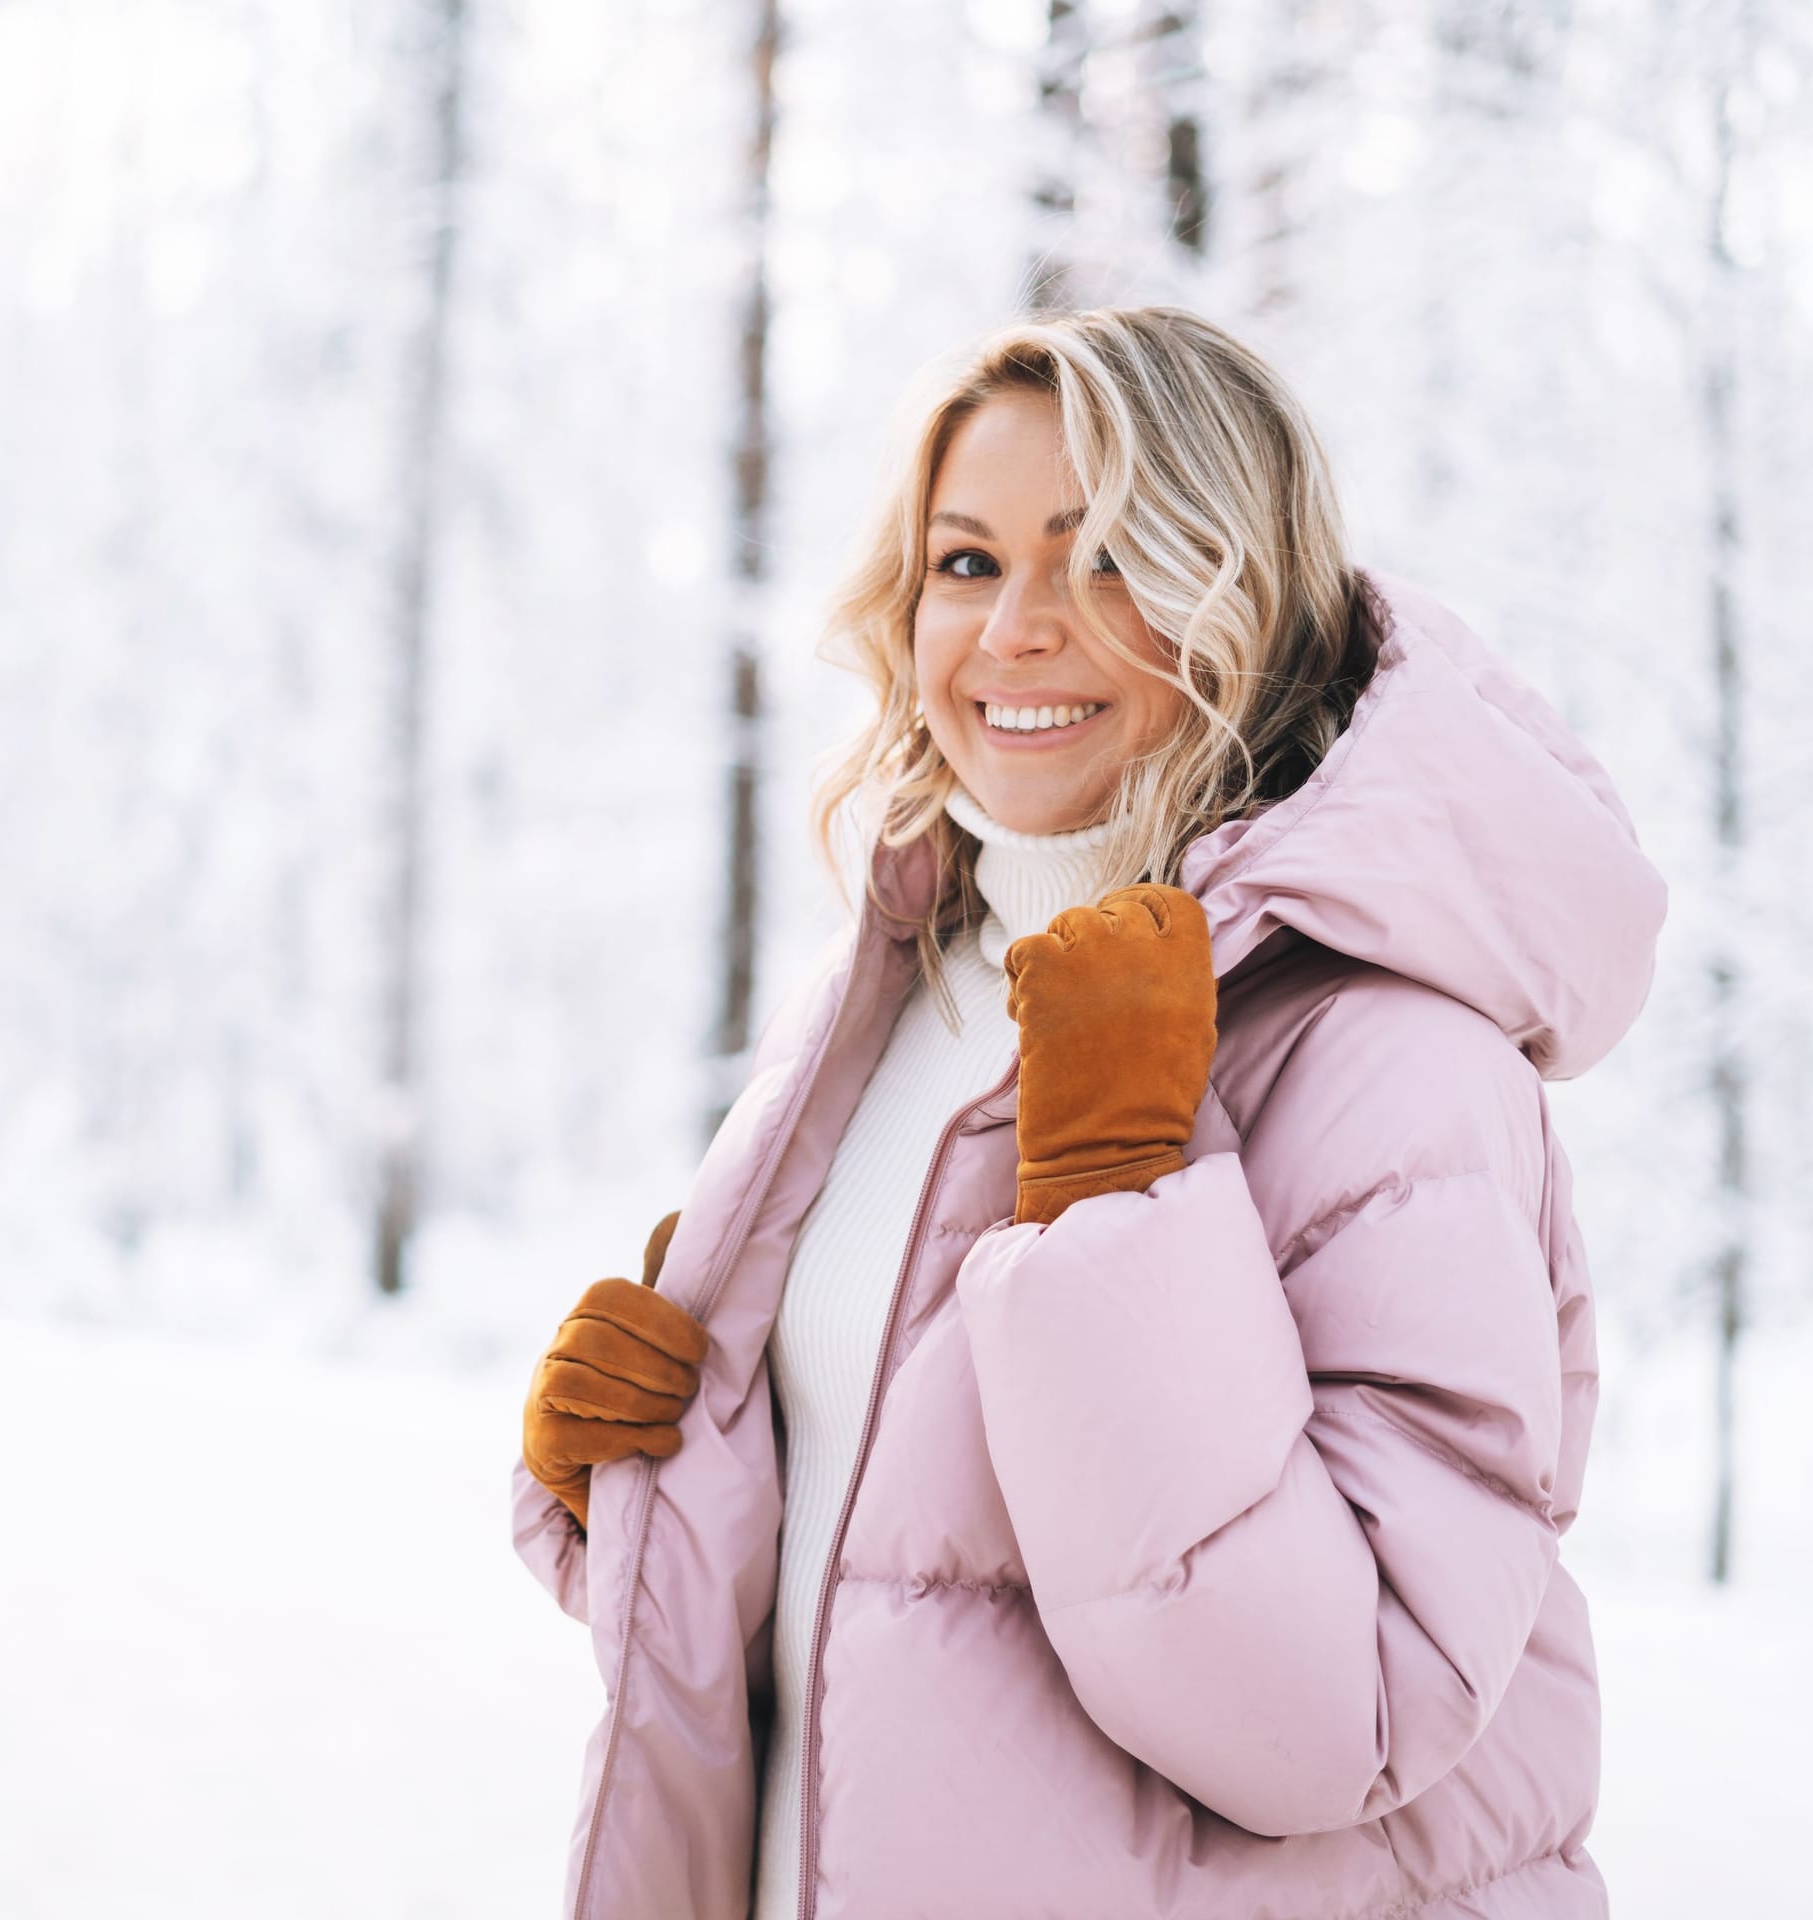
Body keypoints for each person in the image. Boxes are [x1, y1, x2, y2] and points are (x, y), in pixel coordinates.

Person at [512, 305, 1667, 1920]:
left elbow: (1343, 1718)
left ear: (1243, 595)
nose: (1018, 629)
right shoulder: (897, 995)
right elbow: (905, 1596)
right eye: (967, 563)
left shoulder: (1395, 1049)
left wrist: (1122, 1207)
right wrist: (651, 1481)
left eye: (1108, 556)